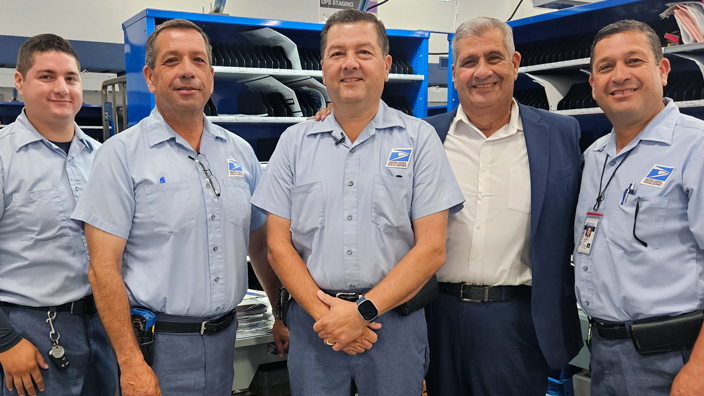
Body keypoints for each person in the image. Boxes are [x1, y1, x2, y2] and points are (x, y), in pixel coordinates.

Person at [251, 9, 464, 396]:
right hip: (314, 325)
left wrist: (362, 313)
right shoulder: (294, 145)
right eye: (337, 53)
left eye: (363, 52)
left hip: (393, 324)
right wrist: (330, 319)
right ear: (323, 67)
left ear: (385, 66)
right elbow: (277, 246)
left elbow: (432, 248)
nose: (350, 64)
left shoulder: (419, 141)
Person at [71, 19, 286, 396]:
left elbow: (261, 243)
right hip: (157, 348)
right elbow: (103, 268)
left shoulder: (240, 153)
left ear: (211, 75)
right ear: (150, 77)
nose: (188, 71)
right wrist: (130, 362)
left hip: (225, 340)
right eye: (172, 60)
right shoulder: (121, 156)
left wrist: (280, 314)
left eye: (198, 60)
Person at [422, 17, 584, 396]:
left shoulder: (560, 134)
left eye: (493, 58)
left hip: (516, 321)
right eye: (468, 61)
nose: (482, 72)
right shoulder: (425, 137)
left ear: (514, 63)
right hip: (435, 314)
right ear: (455, 71)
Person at [574, 19, 704, 395]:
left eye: (634, 61)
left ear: (662, 70)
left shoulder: (694, 149)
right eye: (605, 67)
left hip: (674, 357)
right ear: (593, 85)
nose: (619, 76)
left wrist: (698, 370)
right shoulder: (594, 157)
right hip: (606, 352)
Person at [0, 34, 118, 396]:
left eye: (70, 78)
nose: (61, 88)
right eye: (46, 76)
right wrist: (5, 342)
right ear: (20, 82)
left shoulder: (103, 157)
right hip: (29, 334)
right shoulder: (5, 158)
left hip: (104, 327)